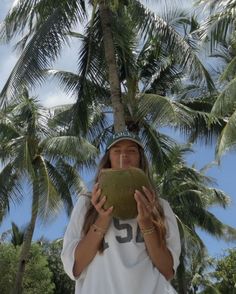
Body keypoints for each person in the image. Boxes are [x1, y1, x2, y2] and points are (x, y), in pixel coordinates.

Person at [61, 130, 181, 294]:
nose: (124, 156)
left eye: (131, 151)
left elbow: (167, 270)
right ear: (109, 159)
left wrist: (146, 223)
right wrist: (102, 218)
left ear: (140, 159)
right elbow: (75, 267)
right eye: (117, 151)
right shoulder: (87, 203)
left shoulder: (160, 206)